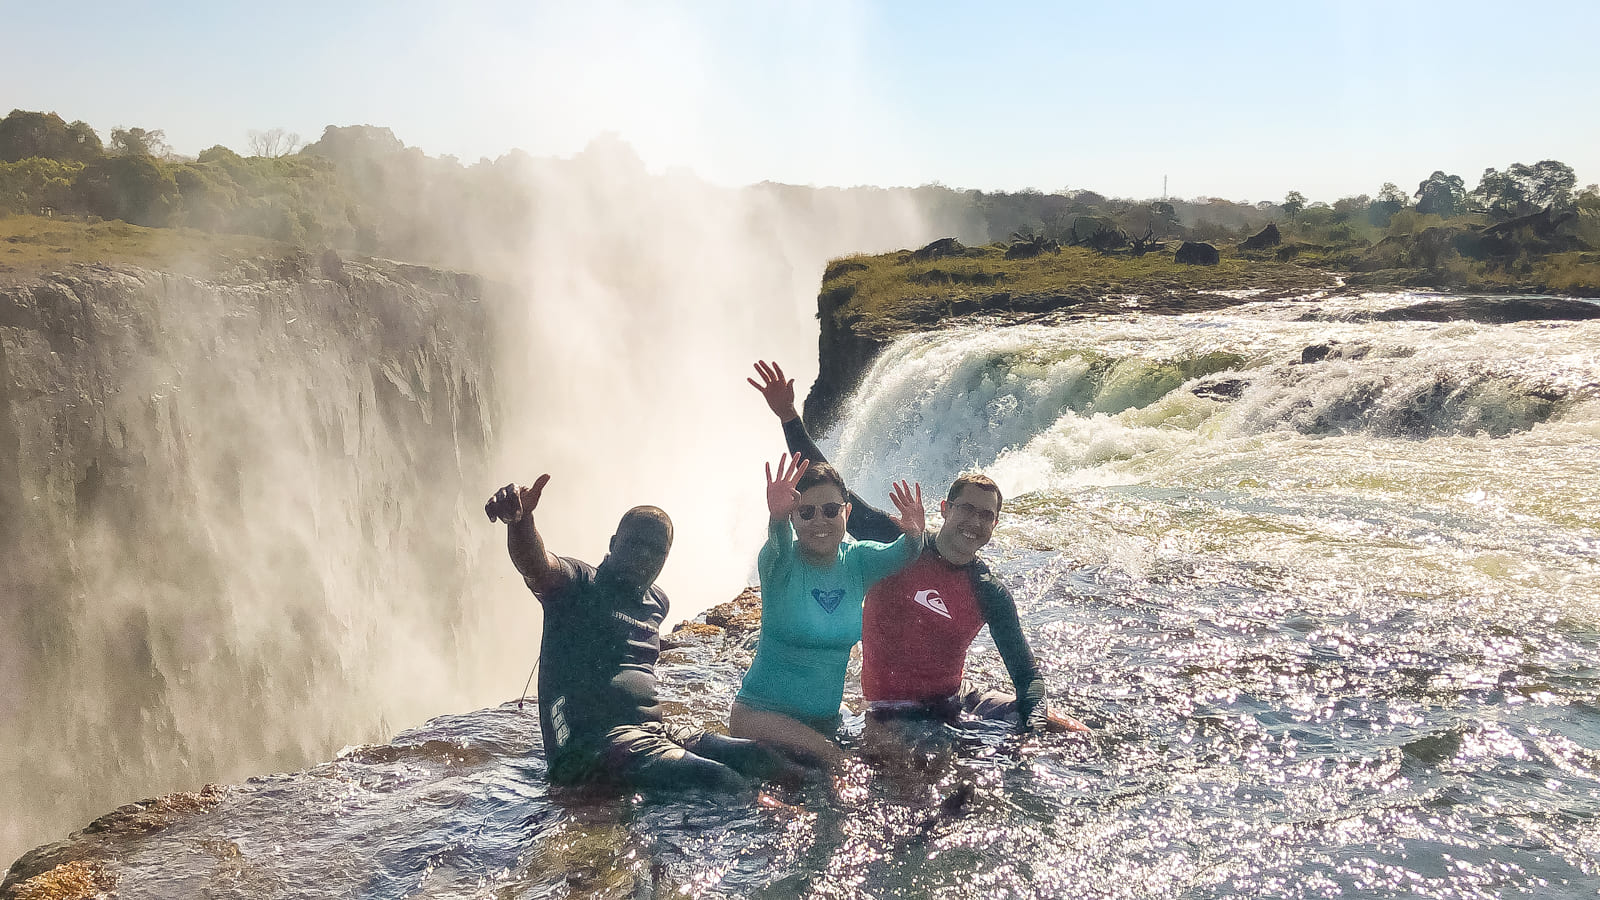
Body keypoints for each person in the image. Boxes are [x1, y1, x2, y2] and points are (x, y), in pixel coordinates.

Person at [746, 360, 1088, 735]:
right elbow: (830, 485)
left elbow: (1027, 675)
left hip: (955, 701)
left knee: (1070, 731)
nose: (973, 523)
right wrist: (788, 416)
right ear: (945, 509)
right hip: (891, 712)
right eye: (966, 510)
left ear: (995, 524)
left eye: (985, 516)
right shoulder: (896, 544)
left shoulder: (988, 589)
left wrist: (1033, 720)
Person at [485, 476, 803, 793]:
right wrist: (520, 521)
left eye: (656, 550)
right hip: (587, 748)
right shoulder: (578, 585)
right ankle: (780, 822)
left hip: (650, 733)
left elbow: (623, 643)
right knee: (720, 780)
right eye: (634, 544)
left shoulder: (656, 602)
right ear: (612, 544)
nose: (644, 556)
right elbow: (536, 564)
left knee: (761, 757)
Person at [729, 451, 926, 767]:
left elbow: (902, 554)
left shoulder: (858, 561)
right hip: (760, 717)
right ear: (795, 518)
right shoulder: (779, 565)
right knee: (838, 766)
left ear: (847, 512)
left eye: (830, 510)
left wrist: (915, 534)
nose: (819, 521)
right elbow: (777, 542)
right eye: (806, 512)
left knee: (900, 761)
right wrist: (777, 517)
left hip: (825, 722)